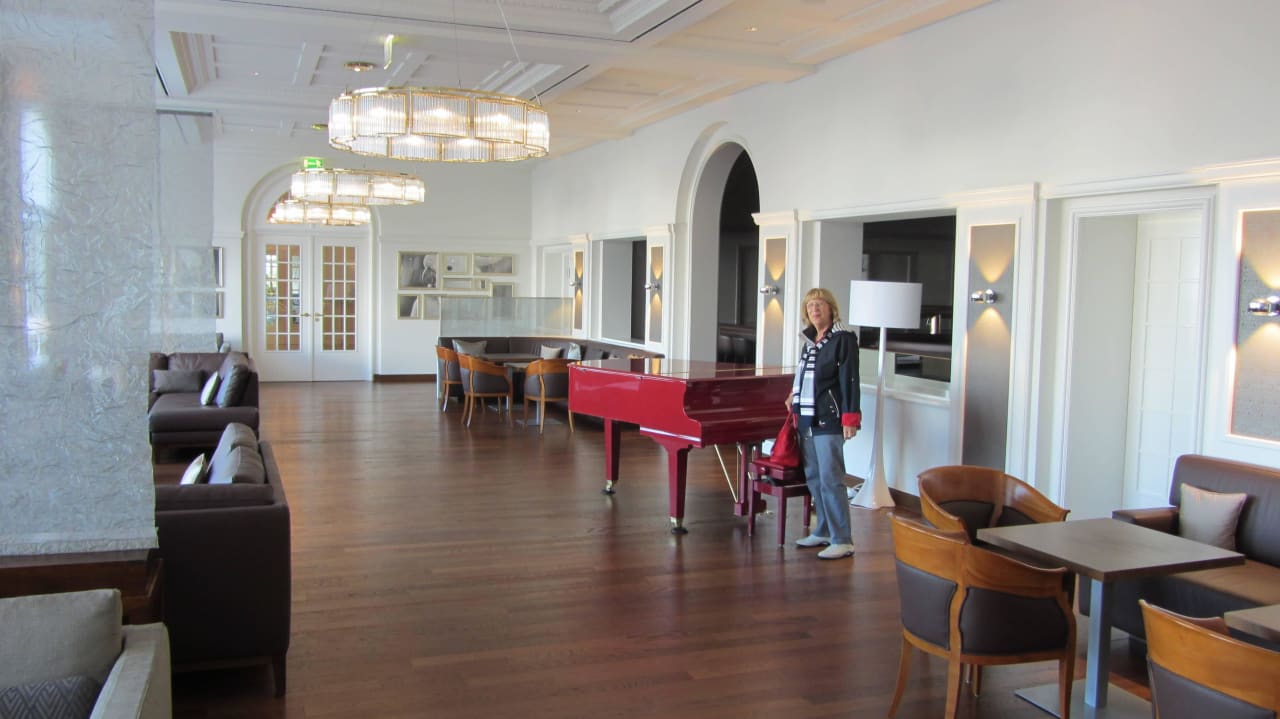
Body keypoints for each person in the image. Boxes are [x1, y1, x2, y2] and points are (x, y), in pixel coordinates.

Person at [784, 287, 861, 559]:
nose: (814, 310)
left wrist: (850, 417)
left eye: (819, 304)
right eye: (810, 306)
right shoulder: (809, 341)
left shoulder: (843, 339)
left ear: (831, 309)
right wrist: (793, 397)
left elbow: (850, 379)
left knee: (831, 479)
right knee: (815, 478)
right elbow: (804, 376)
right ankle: (825, 530)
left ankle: (843, 539)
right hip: (807, 417)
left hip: (830, 418)